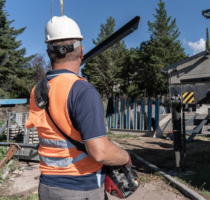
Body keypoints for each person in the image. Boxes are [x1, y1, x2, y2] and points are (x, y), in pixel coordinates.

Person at [25, 15, 131, 200]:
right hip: (81, 189)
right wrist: (125, 157)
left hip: (47, 188)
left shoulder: (38, 90)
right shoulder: (82, 90)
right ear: (81, 52)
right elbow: (100, 151)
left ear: (49, 52)